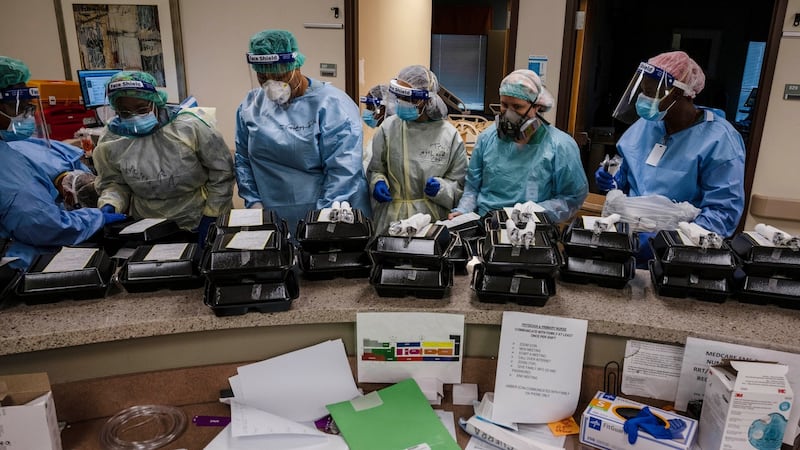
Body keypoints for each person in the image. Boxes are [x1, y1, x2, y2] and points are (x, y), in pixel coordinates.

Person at [596, 51, 745, 262]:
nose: (643, 99)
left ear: (678, 93)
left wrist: (671, 241)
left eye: (650, 93)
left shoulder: (720, 141)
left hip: (680, 254)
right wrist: (612, 176)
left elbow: (724, 211)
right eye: (643, 91)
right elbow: (627, 170)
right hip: (627, 239)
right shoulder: (646, 126)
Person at [235, 29, 370, 233]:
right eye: (263, 78)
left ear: (296, 66)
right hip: (270, 218)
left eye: (280, 77)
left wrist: (319, 221)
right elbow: (243, 160)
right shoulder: (250, 106)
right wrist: (254, 203)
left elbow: (343, 170)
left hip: (329, 217)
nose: (272, 86)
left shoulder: (332, 106)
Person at [450, 69, 588, 223]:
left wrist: (530, 214)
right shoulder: (487, 138)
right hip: (487, 226)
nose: (509, 113)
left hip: (532, 230)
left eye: (517, 107)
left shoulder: (560, 145)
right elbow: (472, 189)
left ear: (537, 106)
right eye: (504, 105)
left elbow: (571, 198)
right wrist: (463, 211)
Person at [368, 65, 466, 233]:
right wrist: (377, 182)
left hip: (431, 221)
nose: (402, 103)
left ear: (427, 99)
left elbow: (460, 185)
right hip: (391, 220)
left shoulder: (449, 136)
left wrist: (442, 189)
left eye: (409, 98)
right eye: (399, 97)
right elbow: (375, 169)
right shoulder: (389, 128)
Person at [0, 142, 126, 270]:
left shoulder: (22, 150)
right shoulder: (8, 164)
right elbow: (42, 224)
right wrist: (96, 219)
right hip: (17, 261)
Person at [0, 56, 94, 203]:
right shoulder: (8, 162)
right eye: (19, 106)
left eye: (28, 104)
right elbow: (38, 218)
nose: (27, 113)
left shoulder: (29, 143)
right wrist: (94, 218)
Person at [360, 84, 391, 175]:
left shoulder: (391, 136)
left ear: (382, 108)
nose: (366, 111)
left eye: (369, 107)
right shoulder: (380, 134)